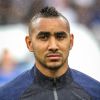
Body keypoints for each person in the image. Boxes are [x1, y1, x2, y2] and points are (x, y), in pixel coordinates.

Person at [0, 7, 100, 100]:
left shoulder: (95, 91)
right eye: (43, 37)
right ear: (29, 43)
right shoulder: (8, 95)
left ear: (71, 42)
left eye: (60, 37)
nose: (53, 46)